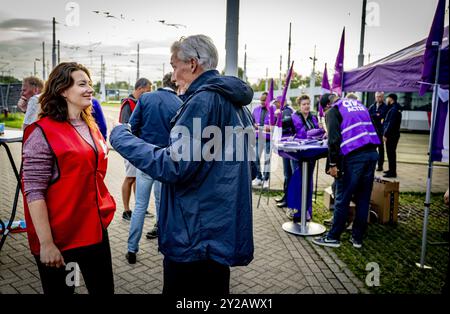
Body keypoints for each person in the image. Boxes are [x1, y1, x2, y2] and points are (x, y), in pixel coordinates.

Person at [110, 35, 254, 295]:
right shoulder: (239, 106)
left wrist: (122, 137)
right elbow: (250, 167)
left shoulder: (202, 101)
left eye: (174, 66)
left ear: (192, 63)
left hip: (192, 234)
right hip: (219, 233)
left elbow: (173, 165)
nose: (173, 76)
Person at [21, 62, 116, 294]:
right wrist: (46, 243)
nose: (89, 89)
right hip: (61, 237)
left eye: (90, 84)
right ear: (63, 90)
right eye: (82, 84)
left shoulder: (89, 125)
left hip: (94, 230)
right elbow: (33, 191)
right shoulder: (41, 132)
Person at [125, 73, 182, 264]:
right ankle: (164, 247)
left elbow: (131, 127)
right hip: (165, 161)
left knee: (140, 205)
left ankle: (132, 248)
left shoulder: (146, 98)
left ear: (161, 84)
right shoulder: (180, 103)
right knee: (161, 203)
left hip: (146, 160)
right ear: (174, 84)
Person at [312, 93, 379, 249]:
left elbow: (333, 140)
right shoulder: (359, 105)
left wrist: (333, 164)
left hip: (354, 158)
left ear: (327, 105)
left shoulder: (333, 110)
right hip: (372, 154)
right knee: (363, 199)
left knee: (342, 198)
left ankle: (333, 237)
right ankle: (357, 238)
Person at [281, 95, 323, 219]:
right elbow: (282, 129)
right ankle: (293, 208)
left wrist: (320, 130)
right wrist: (277, 117)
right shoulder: (293, 118)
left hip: (311, 154)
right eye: (304, 104)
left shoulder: (314, 118)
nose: (306, 106)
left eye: (308, 104)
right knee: (298, 181)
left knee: (308, 181)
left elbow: (319, 133)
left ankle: (306, 209)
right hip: (297, 155)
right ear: (299, 106)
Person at [119, 78, 152, 220]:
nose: (149, 94)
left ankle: (140, 208)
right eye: (147, 91)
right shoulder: (128, 104)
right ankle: (126, 210)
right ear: (140, 88)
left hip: (139, 146)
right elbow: (126, 126)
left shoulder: (139, 103)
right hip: (131, 147)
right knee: (130, 177)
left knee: (138, 178)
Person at [252, 92, 276, 189]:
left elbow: (275, 124)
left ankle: (266, 179)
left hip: (268, 139)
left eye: (264, 100)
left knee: (267, 159)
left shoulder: (273, 110)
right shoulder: (255, 110)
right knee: (256, 157)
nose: (262, 102)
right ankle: (259, 177)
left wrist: (270, 127)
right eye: (261, 100)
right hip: (258, 137)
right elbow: (252, 121)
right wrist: (254, 125)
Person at [274, 96, 295, 207]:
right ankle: (285, 196)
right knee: (287, 174)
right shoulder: (282, 110)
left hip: (288, 146)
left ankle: (288, 199)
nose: (275, 104)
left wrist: (279, 118)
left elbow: (285, 125)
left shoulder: (287, 111)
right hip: (285, 145)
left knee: (288, 174)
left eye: (277, 102)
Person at [383, 93, 402, 178]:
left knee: (391, 153)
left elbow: (391, 124)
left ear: (391, 99)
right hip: (394, 134)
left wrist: (385, 134)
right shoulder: (395, 108)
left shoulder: (394, 109)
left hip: (391, 135)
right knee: (391, 153)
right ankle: (391, 170)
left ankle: (392, 172)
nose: (386, 100)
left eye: (387, 98)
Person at [368, 92, 389, 171]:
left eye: (380, 97)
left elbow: (382, 115)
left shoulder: (385, 107)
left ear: (382, 97)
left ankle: (380, 165)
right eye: (377, 96)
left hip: (380, 131)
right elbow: (368, 115)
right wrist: (376, 115)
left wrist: (376, 115)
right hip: (372, 131)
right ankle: (372, 164)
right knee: (372, 148)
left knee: (381, 149)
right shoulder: (372, 106)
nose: (378, 98)